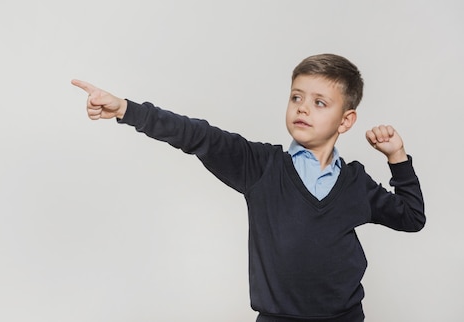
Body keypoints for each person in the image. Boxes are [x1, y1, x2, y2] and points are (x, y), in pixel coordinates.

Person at [71, 53, 425, 322]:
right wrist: (126, 110)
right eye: (296, 97)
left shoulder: (355, 184)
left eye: (319, 102)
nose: (302, 108)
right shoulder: (260, 166)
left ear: (346, 120)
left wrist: (397, 157)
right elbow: (197, 135)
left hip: (346, 317)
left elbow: (411, 217)